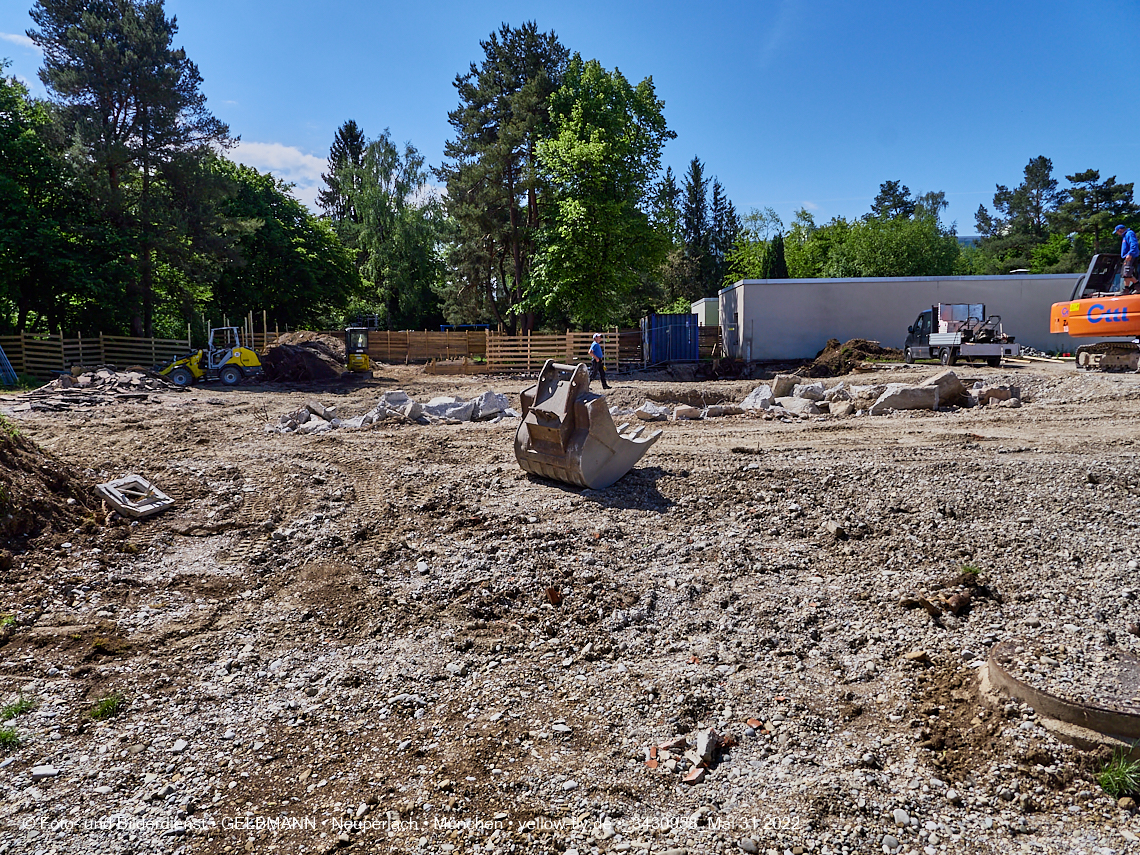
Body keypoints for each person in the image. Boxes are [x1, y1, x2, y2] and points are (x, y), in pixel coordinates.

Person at [1116, 224, 1139, 293]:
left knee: (1126, 273)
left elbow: (1134, 244)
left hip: (1130, 256)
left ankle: (1137, 286)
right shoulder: (1125, 236)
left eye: (1117, 232)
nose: (1117, 234)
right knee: (1126, 274)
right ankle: (1127, 289)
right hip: (1127, 256)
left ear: (1120, 230)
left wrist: (1130, 254)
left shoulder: (1129, 233)